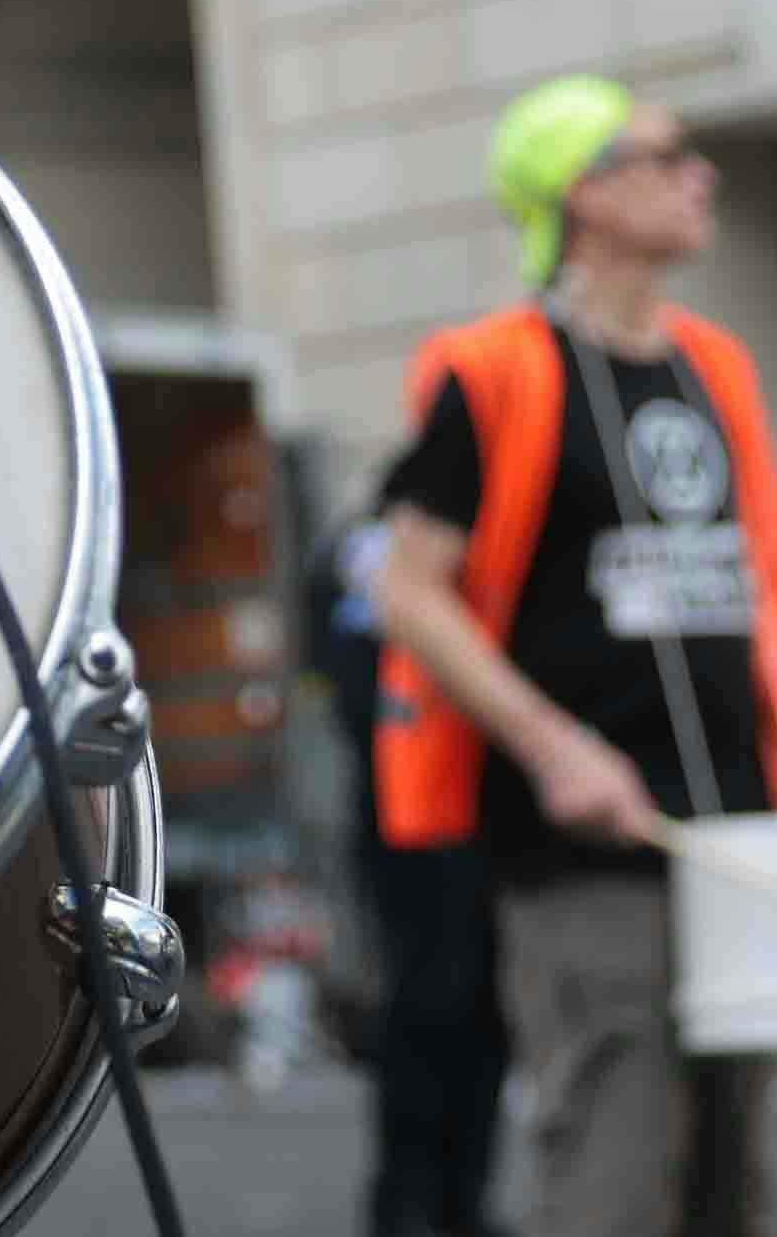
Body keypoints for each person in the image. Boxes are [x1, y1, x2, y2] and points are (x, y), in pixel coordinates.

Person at [369, 79, 777, 1237]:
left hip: (733, 827)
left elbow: (758, 580)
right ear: (587, 193)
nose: (701, 174)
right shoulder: (491, 372)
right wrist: (554, 749)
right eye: (670, 154)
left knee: (730, 1172)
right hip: (581, 842)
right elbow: (409, 593)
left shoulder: (717, 366)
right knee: (611, 1162)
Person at [308, 484, 509, 1237]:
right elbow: (354, 690)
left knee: (480, 1011)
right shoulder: (372, 558)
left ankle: (460, 1197)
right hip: (405, 826)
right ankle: (407, 1197)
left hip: (475, 817)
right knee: (427, 1005)